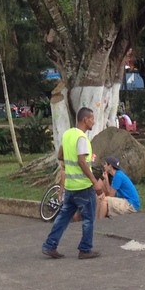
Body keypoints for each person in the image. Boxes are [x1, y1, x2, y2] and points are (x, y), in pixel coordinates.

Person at [42, 107, 104, 259]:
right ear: (85, 119)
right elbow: (82, 161)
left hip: (70, 186)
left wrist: (68, 167)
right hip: (83, 186)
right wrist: (94, 181)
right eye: (92, 119)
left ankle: (50, 245)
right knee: (88, 219)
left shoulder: (68, 134)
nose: (93, 122)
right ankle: (85, 249)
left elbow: (60, 155)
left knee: (63, 217)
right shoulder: (81, 138)